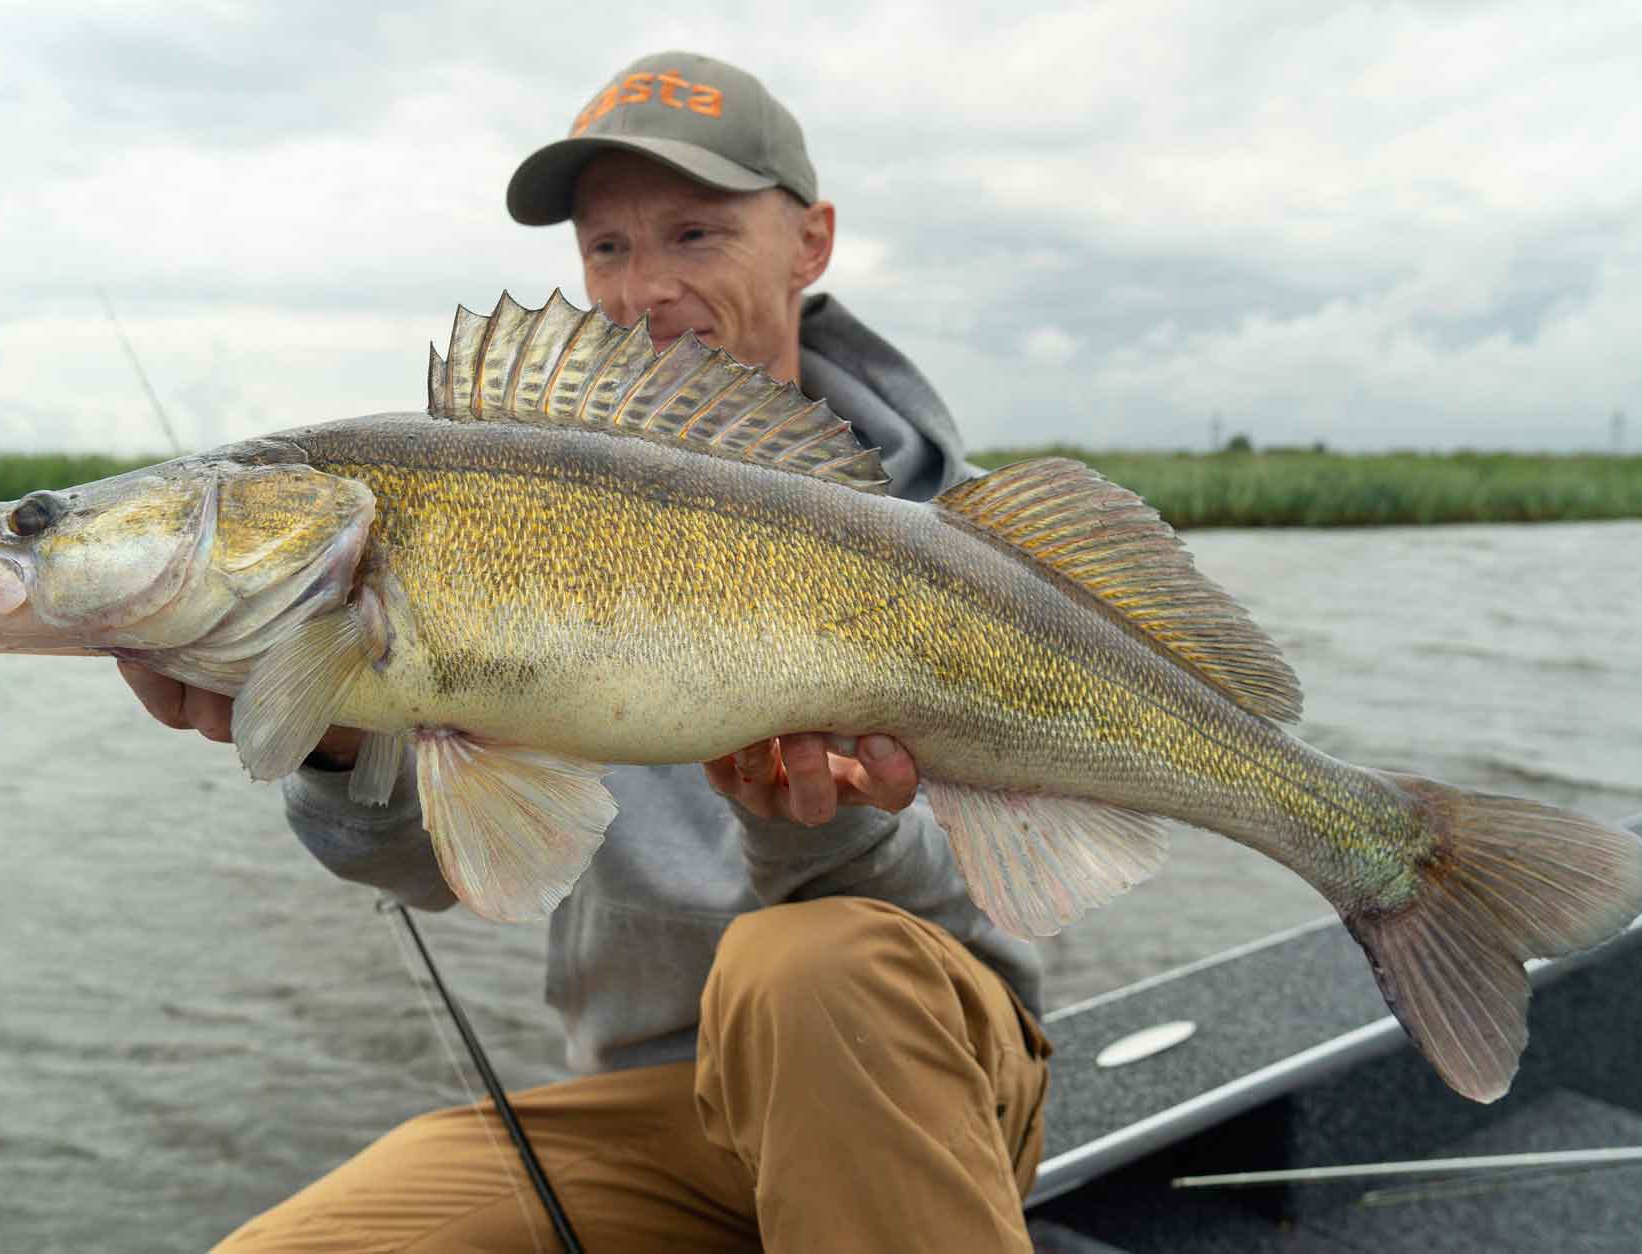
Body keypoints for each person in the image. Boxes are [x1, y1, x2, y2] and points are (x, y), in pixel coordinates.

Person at [122, 50, 1052, 1254]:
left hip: (933, 1082)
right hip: (649, 1108)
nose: (639, 290)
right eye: (605, 248)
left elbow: (1017, 880)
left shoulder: (963, 546)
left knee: (807, 964)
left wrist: (815, 826)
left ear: (811, 243)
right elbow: (429, 869)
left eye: (695, 236)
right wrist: (343, 739)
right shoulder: (507, 513)